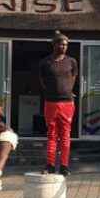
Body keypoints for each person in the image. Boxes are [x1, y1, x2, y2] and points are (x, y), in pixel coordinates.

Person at [38, 30, 77, 175]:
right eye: (61, 44)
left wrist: (66, 91)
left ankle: (64, 166)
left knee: (65, 134)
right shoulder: (45, 62)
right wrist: (52, 91)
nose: (64, 47)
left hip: (67, 103)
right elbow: (43, 81)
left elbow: (73, 78)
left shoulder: (71, 61)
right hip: (51, 102)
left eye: (66, 45)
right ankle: (50, 165)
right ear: (54, 45)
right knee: (52, 134)